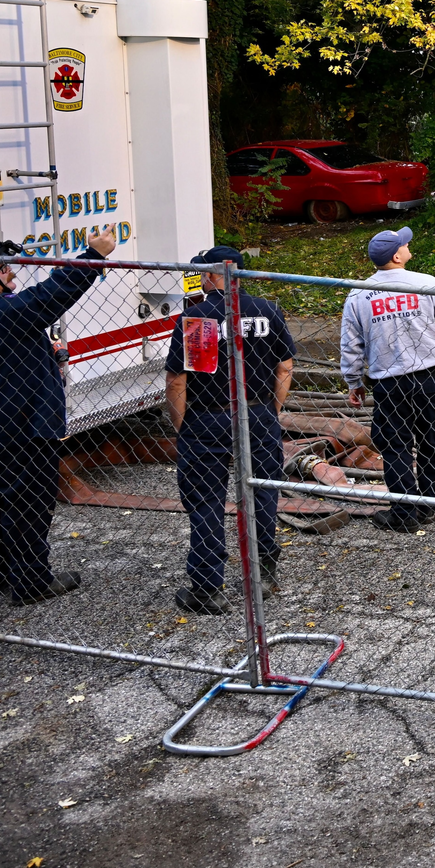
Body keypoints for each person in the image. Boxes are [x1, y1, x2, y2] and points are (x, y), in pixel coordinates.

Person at [0, 225, 116, 606]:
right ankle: (31, 582)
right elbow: (47, 297)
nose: (11, 271)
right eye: (2, 268)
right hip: (19, 435)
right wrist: (93, 257)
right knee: (30, 506)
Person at [164, 246, 295, 616]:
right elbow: (285, 366)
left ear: (211, 275)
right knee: (263, 492)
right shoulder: (267, 310)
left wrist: (182, 426)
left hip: (208, 416)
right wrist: (271, 409)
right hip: (258, 413)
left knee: (206, 500)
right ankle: (262, 574)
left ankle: (208, 587)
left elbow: (178, 380)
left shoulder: (199, 318)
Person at [340, 227, 435, 532]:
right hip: (429, 378)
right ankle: (427, 504)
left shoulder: (359, 294)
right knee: (432, 440)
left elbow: (351, 344)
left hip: (388, 383)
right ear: (397, 256)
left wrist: (354, 381)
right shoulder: (427, 284)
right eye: (404, 244)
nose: (408, 244)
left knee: (395, 445)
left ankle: (404, 512)